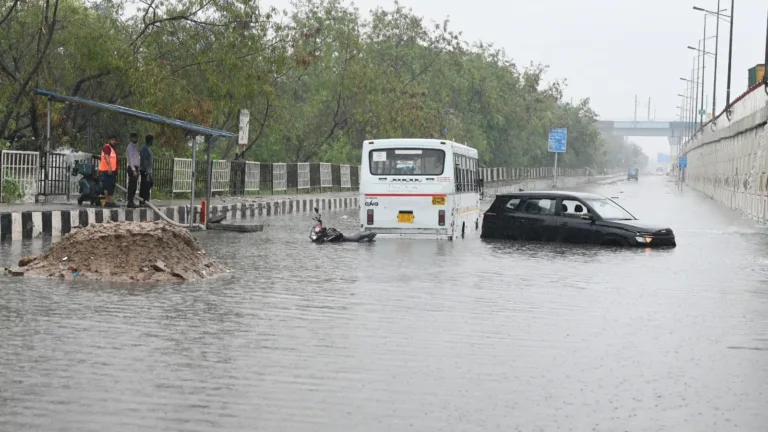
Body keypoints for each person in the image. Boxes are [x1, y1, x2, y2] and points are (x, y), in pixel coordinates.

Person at [99, 135, 119, 208]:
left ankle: (109, 201)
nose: (113, 141)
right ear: (109, 140)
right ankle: (108, 201)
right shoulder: (107, 147)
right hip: (108, 171)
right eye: (112, 140)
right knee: (108, 186)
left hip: (111, 171)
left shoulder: (112, 148)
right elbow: (106, 157)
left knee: (110, 186)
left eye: (114, 140)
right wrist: (110, 168)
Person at [126, 132, 141, 208]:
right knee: (132, 186)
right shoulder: (130, 147)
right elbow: (131, 159)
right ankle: (130, 201)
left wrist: (138, 169)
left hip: (136, 167)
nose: (136, 139)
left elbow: (137, 158)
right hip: (132, 168)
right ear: (131, 138)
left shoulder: (135, 147)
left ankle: (132, 201)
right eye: (134, 138)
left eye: (136, 138)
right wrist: (134, 170)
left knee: (134, 186)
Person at [139, 134, 154, 206]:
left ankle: (144, 201)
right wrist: (147, 171)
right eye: (152, 141)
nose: (152, 142)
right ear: (150, 141)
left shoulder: (147, 148)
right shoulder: (144, 148)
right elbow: (143, 160)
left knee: (147, 185)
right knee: (145, 186)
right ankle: (144, 201)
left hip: (147, 170)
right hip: (145, 170)